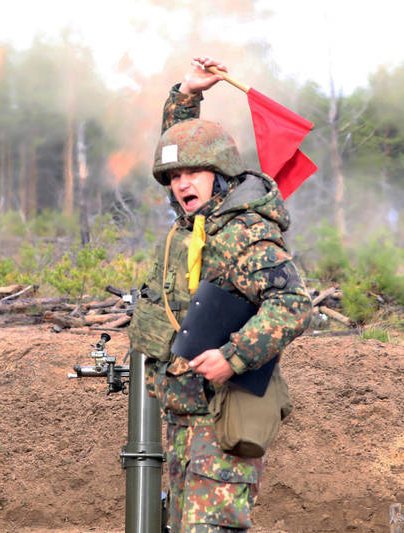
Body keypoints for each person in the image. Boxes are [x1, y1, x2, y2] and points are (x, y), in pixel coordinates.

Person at [128, 57, 312, 532]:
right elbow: (182, 149)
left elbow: (292, 305)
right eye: (173, 178)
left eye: (192, 173)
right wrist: (186, 95)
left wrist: (234, 355)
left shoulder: (244, 232)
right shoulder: (201, 223)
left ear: (220, 173)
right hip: (185, 420)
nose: (181, 183)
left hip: (220, 417)